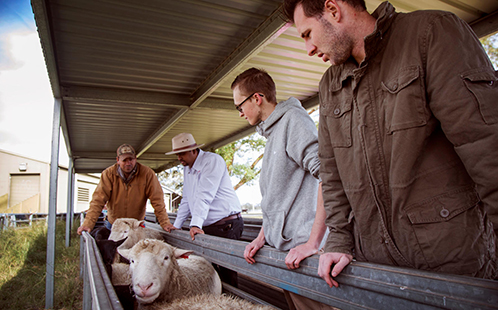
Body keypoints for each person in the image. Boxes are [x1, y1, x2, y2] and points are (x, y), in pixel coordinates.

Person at [282, 0, 498, 288]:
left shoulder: (431, 33)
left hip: (454, 265)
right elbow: (332, 176)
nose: (308, 48)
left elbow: (485, 143)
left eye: (307, 33)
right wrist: (338, 239)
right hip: (377, 270)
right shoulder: (330, 85)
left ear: (333, 9)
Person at [232, 68, 331, 309]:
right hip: (287, 251)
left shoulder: (293, 121)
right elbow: (279, 198)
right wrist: (261, 238)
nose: (240, 113)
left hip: (303, 252)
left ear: (257, 98)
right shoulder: (273, 132)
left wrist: (313, 243)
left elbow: (328, 177)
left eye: (240, 106)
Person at [77, 144, 175, 235]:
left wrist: (165, 223)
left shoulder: (147, 174)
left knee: (137, 251)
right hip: (114, 225)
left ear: (136, 159)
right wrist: (87, 224)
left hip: (137, 226)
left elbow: (158, 201)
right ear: (118, 160)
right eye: (124, 160)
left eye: (131, 159)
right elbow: (98, 201)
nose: (128, 163)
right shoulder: (108, 174)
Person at [165, 132, 243, 241]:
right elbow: (187, 199)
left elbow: (204, 195)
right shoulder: (187, 168)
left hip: (226, 225)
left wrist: (196, 224)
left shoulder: (212, 161)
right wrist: (177, 225)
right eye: (177, 155)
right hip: (209, 226)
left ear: (193, 150)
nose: (179, 158)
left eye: (181, 153)